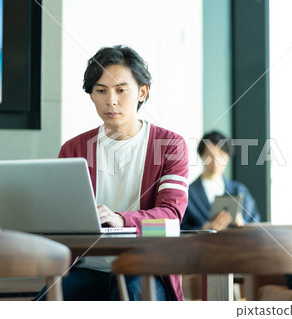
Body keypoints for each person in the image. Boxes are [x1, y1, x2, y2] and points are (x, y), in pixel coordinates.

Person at [35, 45, 188, 301]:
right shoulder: (74, 149)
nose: (111, 100)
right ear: (92, 95)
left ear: (142, 92)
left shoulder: (170, 146)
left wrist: (122, 219)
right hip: (87, 268)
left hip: (145, 268)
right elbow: (64, 221)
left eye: (121, 90)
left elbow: (171, 218)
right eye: (101, 91)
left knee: (132, 293)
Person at [181, 131, 260, 231]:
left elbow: (256, 224)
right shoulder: (188, 194)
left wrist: (242, 223)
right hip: (200, 246)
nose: (215, 160)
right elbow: (179, 229)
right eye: (209, 155)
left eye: (221, 155)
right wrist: (203, 229)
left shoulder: (240, 190)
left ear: (228, 158)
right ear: (202, 156)